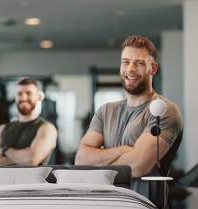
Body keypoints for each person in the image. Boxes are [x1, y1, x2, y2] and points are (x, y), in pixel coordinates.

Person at [75, 35, 183, 193]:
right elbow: (81, 159)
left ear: (153, 68)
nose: (130, 69)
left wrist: (97, 161)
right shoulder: (105, 111)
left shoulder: (164, 110)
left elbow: (138, 166)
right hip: (105, 206)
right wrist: (123, 150)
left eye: (139, 63)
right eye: (125, 62)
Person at [0, 78, 57, 166]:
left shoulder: (47, 128)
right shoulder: (2, 129)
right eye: (19, 94)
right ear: (15, 97)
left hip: (31, 180)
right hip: (4, 180)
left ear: (38, 97)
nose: (23, 97)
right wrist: (22, 157)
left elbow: (31, 159)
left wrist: (5, 150)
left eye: (28, 93)